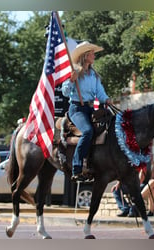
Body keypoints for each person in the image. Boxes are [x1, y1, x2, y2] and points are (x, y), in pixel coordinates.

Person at [62, 41, 111, 182]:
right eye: (92, 53)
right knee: (88, 131)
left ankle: (93, 163)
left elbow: (100, 93)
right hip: (77, 108)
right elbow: (65, 92)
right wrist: (71, 81)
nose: (94, 55)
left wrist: (106, 99)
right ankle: (77, 167)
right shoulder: (75, 71)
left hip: (90, 108)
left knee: (108, 127)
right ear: (85, 55)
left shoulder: (94, 75)